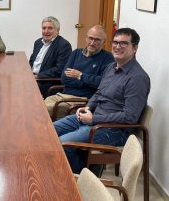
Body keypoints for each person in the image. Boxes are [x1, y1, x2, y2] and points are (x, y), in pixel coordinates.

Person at [54, 28, 150, 174]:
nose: (117, 47)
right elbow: (99, 93)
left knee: (63, 143)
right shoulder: (111, 67)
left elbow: (130, 117)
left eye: (124, 43)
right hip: (92, 119)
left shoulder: (137, 78)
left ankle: (82, 179)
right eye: (115, 42)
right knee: (49, 130)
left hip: (113, 129)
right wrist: (88, 107)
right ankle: (81, 168)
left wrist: (94, 118)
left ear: (134, 48)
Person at [44, 25, 114, 119]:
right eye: (90, 38)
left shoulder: (108, 58)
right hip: (62, 95)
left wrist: (80, 75)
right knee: (38, 106)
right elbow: (64, 78)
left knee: (44, 110)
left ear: (104, 42)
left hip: (81, 100)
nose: (92, 43)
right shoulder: (76, 53)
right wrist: (88, 82)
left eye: (97, 40)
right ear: (86, 38)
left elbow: (102, 83)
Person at [29, 16, 72, 98]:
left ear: (57, 30)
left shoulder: (64, 45)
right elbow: (32, 62)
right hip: (33, 78)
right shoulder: (38, 42)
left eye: (50, 28)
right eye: (44, 28)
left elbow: (59, 69)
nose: (46, 31)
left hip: (46, 83)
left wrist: (38, 76)